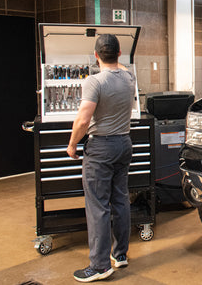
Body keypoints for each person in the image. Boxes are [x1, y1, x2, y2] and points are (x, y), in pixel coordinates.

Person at [67, 34, 135, 283]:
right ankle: (121, 254)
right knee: (120, 200)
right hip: (124, 144)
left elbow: (83, 120)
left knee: (97, 206)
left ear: (95, 56)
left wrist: (72, 144)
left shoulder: (94, 81)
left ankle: (99, 266)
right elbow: (122, 68)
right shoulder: (128, 77)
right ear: (119, 54)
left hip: (101, 148)